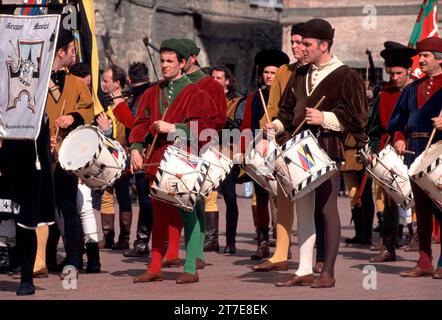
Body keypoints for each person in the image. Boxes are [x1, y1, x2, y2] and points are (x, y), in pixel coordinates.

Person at [265, 18, 368, 288]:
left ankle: (329, 272)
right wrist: (274, 126)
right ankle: (304, 269)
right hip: (299, 148)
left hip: (327, 149)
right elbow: (287, 112)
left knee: (326, 208)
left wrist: (325, 117)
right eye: (300, 43)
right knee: (304, 209)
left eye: (307, 44)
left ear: (324, 45)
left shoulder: (348, 76)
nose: (302, 48)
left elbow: (359, 118)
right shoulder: (300, 73)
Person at [130, 39, 215, 284]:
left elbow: (205, 129)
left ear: (182, 63)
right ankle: (155, 266)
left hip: (183, 161)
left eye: (170, 61)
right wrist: (136, 147)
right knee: (158, 215)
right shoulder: (150, 92)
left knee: (187, 214)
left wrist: (174, 127)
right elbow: (141, 124)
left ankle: (190, 268)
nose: (165, 65)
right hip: (156, 161)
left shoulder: (195, 92)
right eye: (162, 61)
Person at [160, 38, 226, 265]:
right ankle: (189, 253)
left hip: (201, 147)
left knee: (194, 199)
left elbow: (218, 120)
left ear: (190, 59)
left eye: (177, 58)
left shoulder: (210, 86)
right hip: (175, 149)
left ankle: (196, 254)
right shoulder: (174, 84)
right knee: (186, 201)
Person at [253, 23, 306, 271]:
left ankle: (318, 259)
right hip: (284, 142)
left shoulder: (324, 71)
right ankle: (280, 254)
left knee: (314, 204)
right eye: (293, 42)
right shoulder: (284, 71)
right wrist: (267, 129)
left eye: (301, 42)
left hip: (312, 142)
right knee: (283, 199)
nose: (296, 47)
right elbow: (273, 106)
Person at [387, 37, 442, 279]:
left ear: (440, 58)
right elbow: (396, 121)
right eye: (420, 56)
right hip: (415, 149)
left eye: (426, 56)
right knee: (422, 207)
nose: (420, 60)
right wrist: (399, 137)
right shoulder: (411, 89)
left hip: (439, 150)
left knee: (441, 205)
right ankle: (424, 260)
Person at [46, 26, 94, 277]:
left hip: (66, 157)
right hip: (40, 155)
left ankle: (74, 258)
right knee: (42, 209)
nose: (74, 56)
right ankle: (43, 258)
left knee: (68, 206)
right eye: (72, 51)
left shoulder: (76, 83)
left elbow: (88, 111)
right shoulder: (36, 79)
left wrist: (72, 117)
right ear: (60, 51)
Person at [367, 41, 416, 262]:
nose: (394, 77)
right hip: (389, 154)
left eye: (399, 73)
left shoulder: (417, 91)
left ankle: (421, 245)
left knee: (421, 200)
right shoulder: (384, 96)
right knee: (389, 200)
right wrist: (373, 150)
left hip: (415, 152)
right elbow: (375, 128)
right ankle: (389, 246)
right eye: (392, 73)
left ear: (408, 71)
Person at [241, 49, 289, 260]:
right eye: (266, 72)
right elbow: (246, 126)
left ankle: (282, 243)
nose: (269, 76)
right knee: (259, 197)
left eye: (273, 72)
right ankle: (262, 243)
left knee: (279, 198)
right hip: (257, 152)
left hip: (280, 151)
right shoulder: (254, 98)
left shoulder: (287, 97)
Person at [110, 62, 153, 258]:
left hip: (147, 153)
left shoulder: (145, 96)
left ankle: (143, 242)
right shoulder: (145, 93)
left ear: (129, 79)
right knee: (146, 199)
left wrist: (119, 105)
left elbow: (136, 125)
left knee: (147, 200)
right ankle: (142, 242)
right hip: (143, 153)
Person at [211, 65, 247, 254]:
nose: (215, 80)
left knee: (230, 198)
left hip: (228, 151)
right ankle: (210, 239)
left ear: (227, 81)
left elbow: (240, 127)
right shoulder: (206, 99)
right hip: (208, 151)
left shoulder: (237, 101)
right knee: (205, 196)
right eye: (213, 77)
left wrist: (226, 124)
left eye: (219, 77)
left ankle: (230, 241)